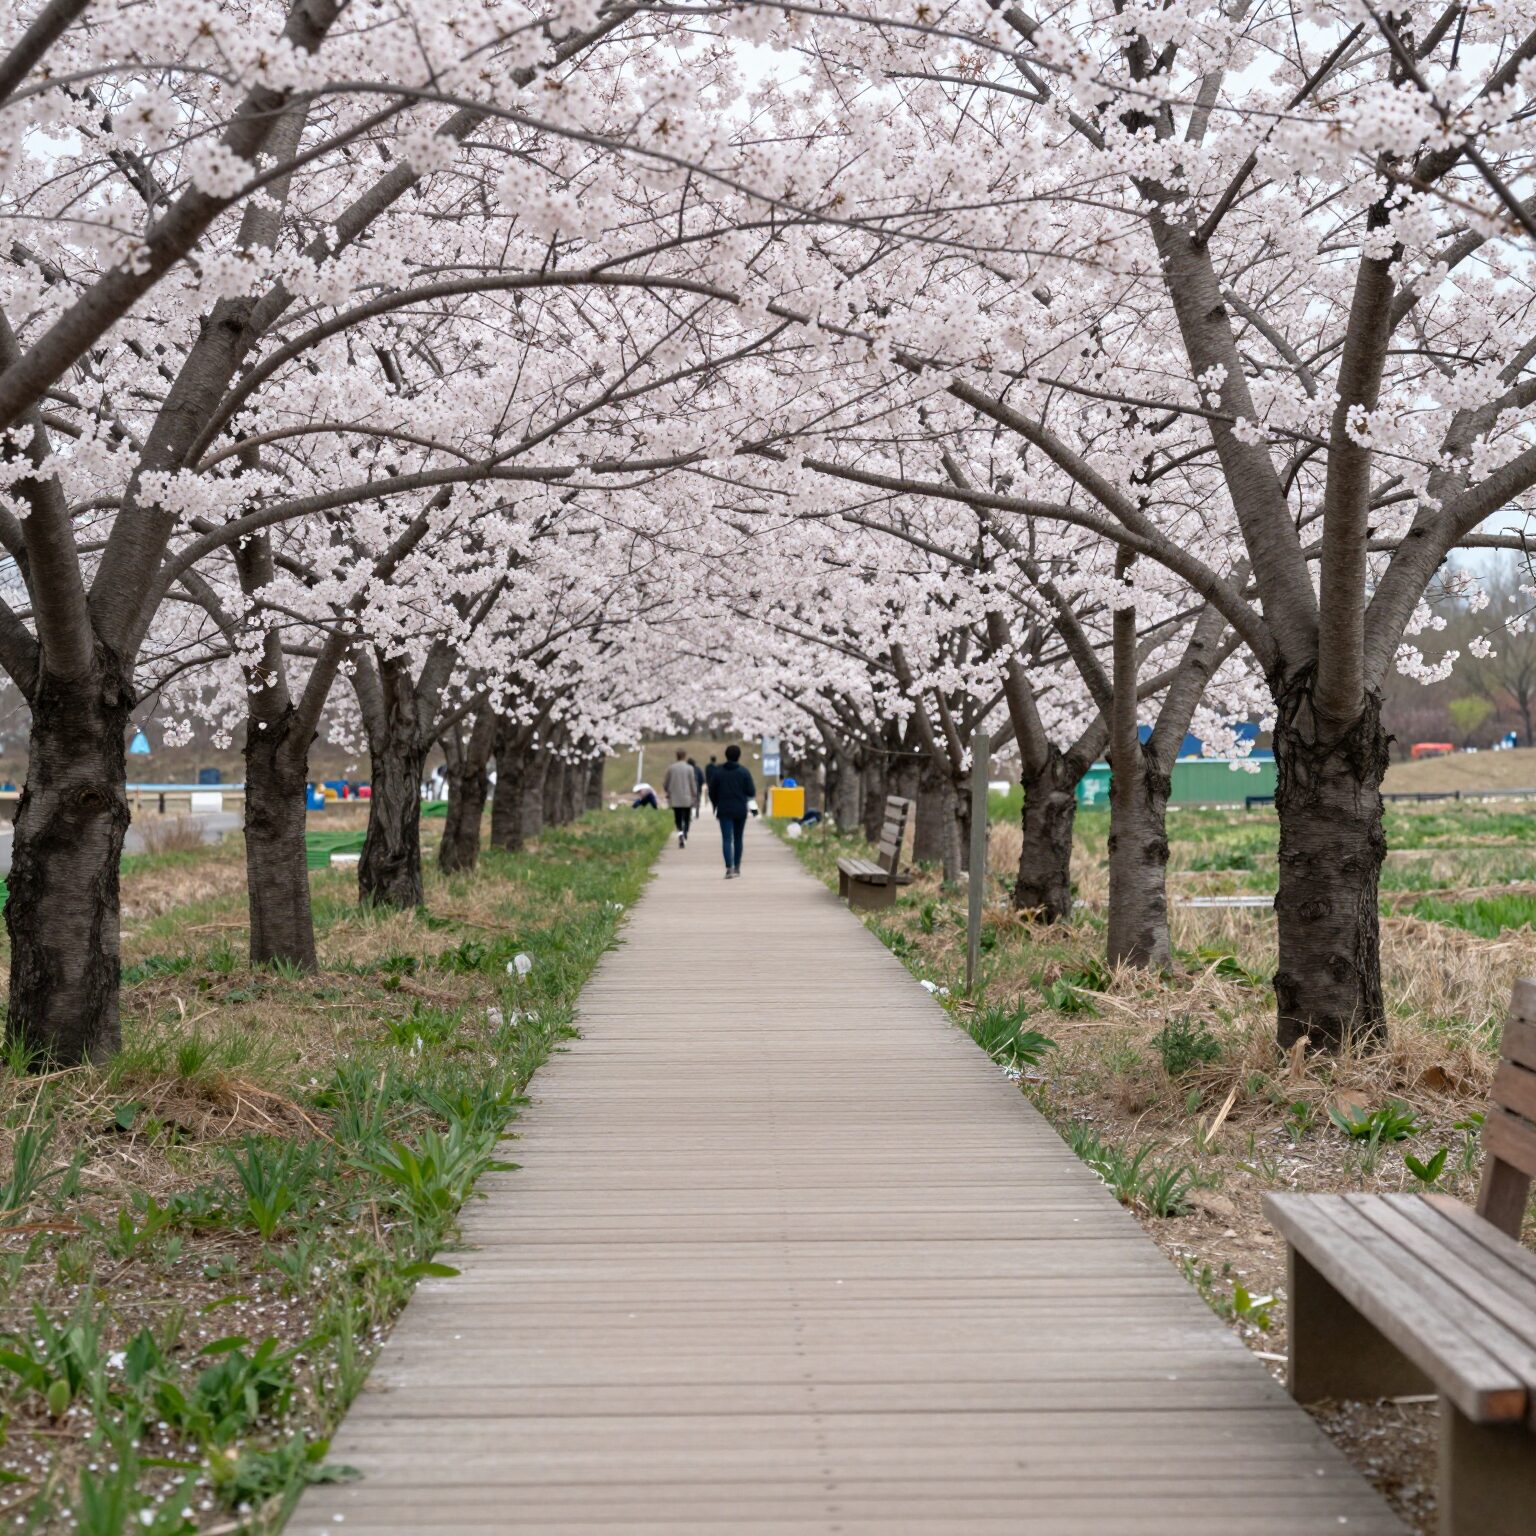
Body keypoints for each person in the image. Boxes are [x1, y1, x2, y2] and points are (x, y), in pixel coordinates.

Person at [711, 743, 755, 878]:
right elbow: (751, 791)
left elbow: (712, 792)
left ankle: (729, 867)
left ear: (726, 756)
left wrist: (715, 804)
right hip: (740, 809)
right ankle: (737, 867)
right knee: (738, 838)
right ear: (739, 756)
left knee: (726, 839)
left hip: (724, 809)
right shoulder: (744, 772)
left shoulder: (718, 772)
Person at [663, 749, 697, 847]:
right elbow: (692, 783)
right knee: (687, 817)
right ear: (685, 756)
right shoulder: (690, 768)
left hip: (675, 797)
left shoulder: (671, 768)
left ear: (676, 756)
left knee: (677, 818)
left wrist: (667, 790)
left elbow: (666, 783)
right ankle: (685, 832)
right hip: (687, 796)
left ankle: (680, 834)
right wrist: (694, 794)